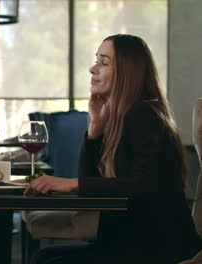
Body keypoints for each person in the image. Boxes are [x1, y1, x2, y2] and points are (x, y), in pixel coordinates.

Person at [25, 34, 201, 264]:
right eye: (96, 60)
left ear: (127, 73)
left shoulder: (143, 115)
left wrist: (69, 184)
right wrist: (94, 131)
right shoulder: (120, 118)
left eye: (104, 62)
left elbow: (144, 184)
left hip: (154, 250)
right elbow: (90, 181)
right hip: (128, 245)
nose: (92, 68)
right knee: (43, 257)